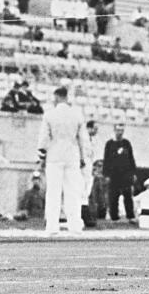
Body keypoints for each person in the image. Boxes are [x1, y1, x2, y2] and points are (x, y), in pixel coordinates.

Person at [37, 86, 89, 234]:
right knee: (72, 192)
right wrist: (83, 157)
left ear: (57, 97)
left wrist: (41, 155)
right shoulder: (77, 115)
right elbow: (83, 139)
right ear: (67, 97)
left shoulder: (49, 115)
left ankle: (52, 226)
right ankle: (75, 225)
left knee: (53, 192)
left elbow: (43, 139)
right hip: (72, 155)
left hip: (54, 155)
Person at [103, 123, 137, 222]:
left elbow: (131, 158)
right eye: (118, 130)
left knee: (128, 196)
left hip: (126, 174)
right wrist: (106, 174)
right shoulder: (109, 144)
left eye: (122, 130)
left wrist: (133, 173)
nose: (120, 132)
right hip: (114, 175)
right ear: (114, 130)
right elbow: (106, 160)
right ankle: (114, 217)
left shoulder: (126, 143)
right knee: (113, 196)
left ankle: (130, 216)